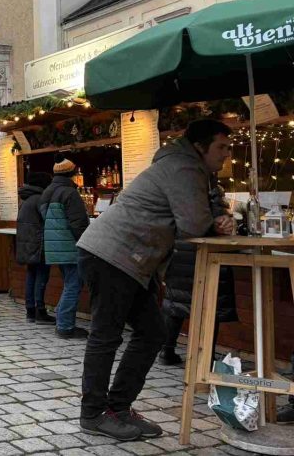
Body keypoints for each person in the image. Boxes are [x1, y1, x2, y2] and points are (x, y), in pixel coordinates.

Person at [76, 119, 234, 441]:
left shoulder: (192, 170)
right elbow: (193, 224)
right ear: (200, 147)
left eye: (229, 148)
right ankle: (93, 413)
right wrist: (215, 221)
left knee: (152, 332)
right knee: (106, 336)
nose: (227, 155)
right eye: (222, 147)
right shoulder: (184, 168)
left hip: (126, 259)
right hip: (111, 254)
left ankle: (118, 407)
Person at [159, 180, 236, 366]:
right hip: (205, 253)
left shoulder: (173, 189)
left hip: (179, 252)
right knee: (211, 306)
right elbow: (222, 223)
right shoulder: (210, 190)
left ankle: (166, 351)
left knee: (175, 304)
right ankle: (206, 357)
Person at [39, 155, 90, 339]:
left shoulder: (47, 192)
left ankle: (62, 319)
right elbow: (78, 223)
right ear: (72, 172)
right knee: (73, 285)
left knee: (69, 284)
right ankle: (65, 326)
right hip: (70, 246)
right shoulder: (69, 193)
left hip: (54, 248)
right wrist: (86, 244)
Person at [16, 172, 55, 324]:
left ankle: (30, 310)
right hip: (39, 243)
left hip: (27, 244)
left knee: (31, 275)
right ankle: (40, 310)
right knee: (42, 276)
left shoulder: (25, 200)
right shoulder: (40, 199)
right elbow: (49, 220)